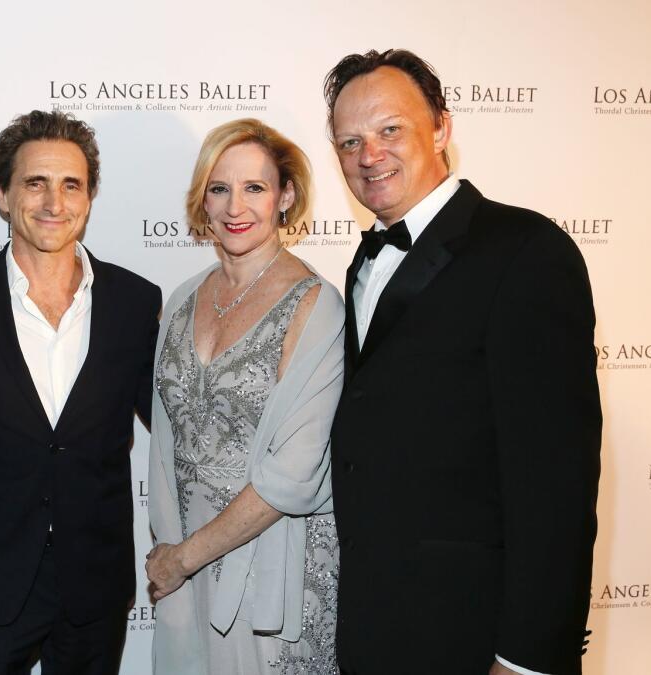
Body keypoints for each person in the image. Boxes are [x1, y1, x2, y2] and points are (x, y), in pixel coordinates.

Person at [324, 49, 601, 675]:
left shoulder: (527, 252)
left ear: (442, 128)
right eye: (349, 142)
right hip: (377, 629)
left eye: (390, 130)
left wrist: (527, 659)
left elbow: (555, 483)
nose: (369, 155)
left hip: (476, 639)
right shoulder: (362, 267)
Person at [0, 110, 161, 674]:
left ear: (89, 197)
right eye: (35, 183)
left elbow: (173, 424)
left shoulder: (135, 303)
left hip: (95, 582)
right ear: (3, 196)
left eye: (70, 185)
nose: (54, 202)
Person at [145, 119, 345, 674]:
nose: (236, 206)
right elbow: (165, 446)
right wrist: (172, 555)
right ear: (202, 199)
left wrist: (182, 559)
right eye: (220, 187)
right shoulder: (182, 300)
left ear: (285, 196)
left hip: (273, 576)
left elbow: (295, 473)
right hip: (183, 575)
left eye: (255, 188)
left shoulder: (316, 304)